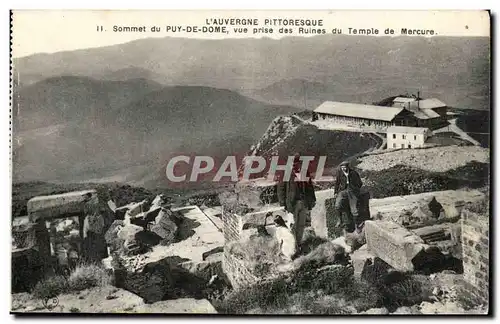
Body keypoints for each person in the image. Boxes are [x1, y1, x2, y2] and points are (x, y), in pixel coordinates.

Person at [277, 153, 317, 252]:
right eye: (292, 163)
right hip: (292, 204)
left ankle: (298, 245)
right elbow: (281, 188)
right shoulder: (286, 173)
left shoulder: (304, 172)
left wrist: (312, 199)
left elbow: (309, 187)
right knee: (293, 225)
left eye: (296, 162)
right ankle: (291, 248)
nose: (294, 165)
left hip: (303, 202)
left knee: (301, 225)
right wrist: (282, 203)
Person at [334, 160, 363, 235]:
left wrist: (355, 190)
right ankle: (340, 220)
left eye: (344, 167)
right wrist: (335, 192)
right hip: (343, 191)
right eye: (342, 167)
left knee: (354, 210)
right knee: (337, 205)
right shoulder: (340, 173)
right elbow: (337, 183)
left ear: (347, 167)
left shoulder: (353, 173)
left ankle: (357, 227)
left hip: (352, 191)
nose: (343, 169)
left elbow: (360, 183)